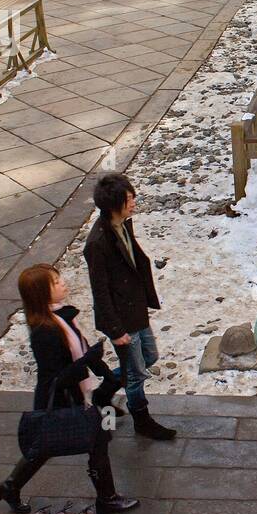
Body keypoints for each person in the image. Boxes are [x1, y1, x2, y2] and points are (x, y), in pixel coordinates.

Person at [0, 264, 139, 514]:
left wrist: (101, 369)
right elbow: (57, 377)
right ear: (41, 293)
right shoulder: (45, 331)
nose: (63, 283)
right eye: (56, 282)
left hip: (71, 395)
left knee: (46, 446)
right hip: (62, 397)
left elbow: (78, 351)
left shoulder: (60, 317)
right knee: (92, 442)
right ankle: (107, 499)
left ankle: (11, 486)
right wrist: (88, 359)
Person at [84, 174, 177, 441]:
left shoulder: (121, 225)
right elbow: (99, 292)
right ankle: (142, 420)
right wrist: (115, 331)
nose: (134, 202)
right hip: (121, 319)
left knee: (149, 358)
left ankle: (104, 391)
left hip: (135, 311)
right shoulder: (98, 244)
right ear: (115, 205)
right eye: (129, 199)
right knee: (136, 373)